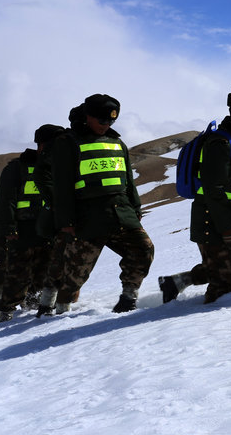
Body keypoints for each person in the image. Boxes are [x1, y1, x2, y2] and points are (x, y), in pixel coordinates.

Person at [49, 94, 154, 314]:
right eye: (102, 121)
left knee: (143, 249)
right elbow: (62, 186)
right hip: (87, 218)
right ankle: (61, 309)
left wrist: (135, 208)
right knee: (76, 272)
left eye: (111, 122)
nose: (106, 126)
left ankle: (128, 297)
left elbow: (128, 181)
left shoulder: (117, 142)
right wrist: (66, 221)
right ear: (88, 117)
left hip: (121, 213)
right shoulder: (68, 142)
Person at [159, 87, 231, 303]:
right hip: (210, 216)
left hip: (225, 214)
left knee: (230, 266)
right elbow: (214, 189)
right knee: (224, 276)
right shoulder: (220, 143)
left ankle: (174, 283)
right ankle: (210, 317)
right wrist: (227, 228)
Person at [0, 127, 62, 322]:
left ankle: (32, 308)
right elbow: (6, 200)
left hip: (49, 229)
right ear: (41, 145)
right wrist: (9, 228)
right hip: (23, 230)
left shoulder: (58, 166)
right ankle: (6, 311)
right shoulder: (17, 167)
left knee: (45, 270)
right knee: (17, 273)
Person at [36, 109, 83, 316]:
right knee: (69, 258)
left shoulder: (55, 151)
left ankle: (51, 305)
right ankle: (58, 303)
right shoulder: (71, 144)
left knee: (62, 259)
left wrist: (60, 202)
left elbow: (44, 181)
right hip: (73, 211)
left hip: (66, 214)